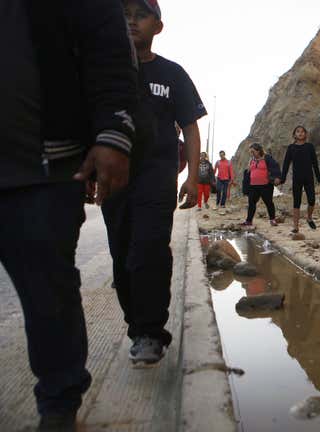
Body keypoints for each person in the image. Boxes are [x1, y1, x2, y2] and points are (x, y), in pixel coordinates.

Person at [0, 0, 137, 428]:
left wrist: (114, 135)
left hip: (41, 166)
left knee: (48, 292)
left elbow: (109, 51)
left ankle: (59, 405)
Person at [102, 0, 207, 367]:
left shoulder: (172, 74)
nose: (131, 21)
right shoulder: (105, 72)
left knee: (149, 249)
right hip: (114, 179)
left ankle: (149, 332)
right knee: (122, 256)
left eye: (141, 15)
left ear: (157, 27)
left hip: (158, 177)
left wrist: (192, 177)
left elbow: (191, 127)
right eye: (125, 14)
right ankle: (137, 324)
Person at [280, 126, 320, 233]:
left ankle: (309, 217)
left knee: (312, 200)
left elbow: (315, 163)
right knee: (297, 202)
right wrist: (283, 178)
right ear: (294, 135)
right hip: (297, 179)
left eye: (302, 131)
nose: (300, 133)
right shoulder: (291, 148)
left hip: (309, 178)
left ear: (306, 134)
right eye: (298, 132)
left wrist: (318, 177)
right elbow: (286, 164)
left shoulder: (310, 147)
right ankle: (295, 227)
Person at [241, 143, 281, 227]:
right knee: (251, 203)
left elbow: (275, 167)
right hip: (253, 186)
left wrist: (277, 177)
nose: (251, 154)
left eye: (253, 152)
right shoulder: (251, 160)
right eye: (250, 152)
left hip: (265, 185)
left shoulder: (267, 158)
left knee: (269, 203)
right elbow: (248, 172)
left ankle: (272, 220)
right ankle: (249, 221)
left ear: (258, 151)